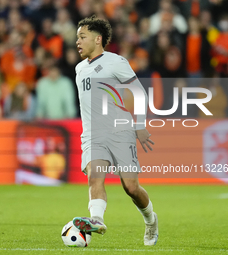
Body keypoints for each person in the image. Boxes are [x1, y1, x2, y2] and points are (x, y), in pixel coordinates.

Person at [72, 15, 158, 246]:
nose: (77, 42)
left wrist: (140, 126)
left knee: (131, 187)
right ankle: (96, 220)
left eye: (82, 37)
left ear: (98, 39)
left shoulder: (116, 62)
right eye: (77, 38)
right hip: (93, 135)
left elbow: (139, 93)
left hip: (120, 132)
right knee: (95, 177)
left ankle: (150, 220)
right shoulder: (80, 68)